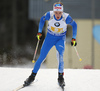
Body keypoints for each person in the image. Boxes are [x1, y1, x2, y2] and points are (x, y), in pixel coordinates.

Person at [24, 2, 77, 87]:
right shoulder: (49, 15)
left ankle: (60, 78)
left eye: (60, 13)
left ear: (62, 12)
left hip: (60, 39)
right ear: (53, 11)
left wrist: (74, 38)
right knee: (41, 57)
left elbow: (74, 25)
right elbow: (42, 20)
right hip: (49, 38)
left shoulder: (66, 17)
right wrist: (39, 32)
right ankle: (32, 77)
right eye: (56, 12)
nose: (58, 15)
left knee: (60, 56)